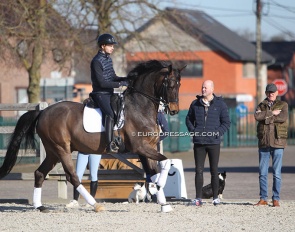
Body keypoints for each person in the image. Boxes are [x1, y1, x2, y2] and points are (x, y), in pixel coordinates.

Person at [185, 80, 230, 206]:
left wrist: (217, 133)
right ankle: (198, 198)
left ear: (212, 89)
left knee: (214, 171)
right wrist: (193, 131)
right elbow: (188, 119)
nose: (203, 89)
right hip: (199, 142)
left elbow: (226, 122)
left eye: (205, 87)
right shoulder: (195, 104)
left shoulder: (220, 104)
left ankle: (215, 198)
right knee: (198, 170)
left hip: (213, 142)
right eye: (202, 87)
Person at [90, 33, 128, 153]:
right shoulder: (96, 61)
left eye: (113, 45)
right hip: (100, 93)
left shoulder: (108, 59)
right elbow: (101, 83)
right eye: (110, 45)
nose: (112, 47)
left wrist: (125, 79)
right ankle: (109, 143)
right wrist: (119, 84)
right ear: (103, 46)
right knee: (110, 114)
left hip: (109, 93)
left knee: (121, 110)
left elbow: (113, 76)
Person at [254, 83, 288, 207]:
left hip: (278, 142)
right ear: (266, 93)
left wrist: (266, 116)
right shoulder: (261, 105)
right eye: (269, 92)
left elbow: (282, 117)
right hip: (264, 143)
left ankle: (276, 199)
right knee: (262, 172)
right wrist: (272, 113)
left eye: (273, 92)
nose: (271, 94)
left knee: (277, 173)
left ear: (277, 93)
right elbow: (257, 116)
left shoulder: (283, 105)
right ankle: (263, 198)